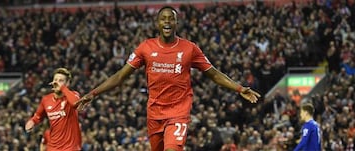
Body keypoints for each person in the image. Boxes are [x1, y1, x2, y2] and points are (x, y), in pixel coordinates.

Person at [76, 6, 261, 151]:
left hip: (179, 112)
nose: (167, 22)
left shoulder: (189, 48)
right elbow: (120, 76)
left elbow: (213, 73)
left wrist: (239, 88)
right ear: (158, 23)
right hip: (155, 113)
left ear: (176, 23)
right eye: (163, 19)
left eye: (170, 19)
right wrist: (94, 93)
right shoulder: (145, 48)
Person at [25, 68, 82, 151]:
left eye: (61, 80)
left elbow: (75, 103)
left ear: (67, 83)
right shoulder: (46, 99)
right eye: (55, 79)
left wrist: (63, 88)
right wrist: (32, 121)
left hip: (70, 147)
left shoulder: (73, 95)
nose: (56, 82)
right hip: (53, 147)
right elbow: (38, 116)